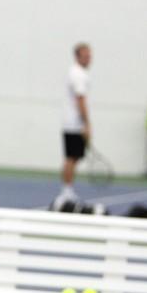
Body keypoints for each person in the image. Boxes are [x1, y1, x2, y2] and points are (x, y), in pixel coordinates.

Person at [59, 42, 93, 201]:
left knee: (74, 157)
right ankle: (67, 191)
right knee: (71, 158)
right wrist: (86, 124)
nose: (89, 59)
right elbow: (81, 100)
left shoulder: (76, 73)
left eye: (89, 56)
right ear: (77, 56)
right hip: (74, 124)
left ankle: (67, 189)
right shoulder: (78, 75)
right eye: (85, 56)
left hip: (73, 123)